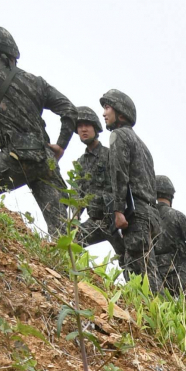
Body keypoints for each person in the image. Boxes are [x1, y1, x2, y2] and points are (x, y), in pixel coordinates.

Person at [0, 26, 75, 236]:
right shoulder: (36, 82)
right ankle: (69, 268)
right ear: (12, 52)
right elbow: (69, 110)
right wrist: (61, 145)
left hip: (15, 158)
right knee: (64, 234)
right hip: (45, 161)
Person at [99, 90, 159, 288]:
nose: (104, 113)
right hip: (150, 215)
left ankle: (146, 317)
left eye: (107, 108)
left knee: (136, 275)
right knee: (150, 274)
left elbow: (119, 174)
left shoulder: (119, 135)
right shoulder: (143, 146)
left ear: (121, 113)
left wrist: (118, 211)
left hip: (136, 215)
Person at [68, 106, 121, 259]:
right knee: (72, 244)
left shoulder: (110, 155)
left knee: (130, 260)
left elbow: (123, 184)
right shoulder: (81, 163)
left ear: (95, 128)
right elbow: (77, 193)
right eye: (80, 126)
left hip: (115, 220)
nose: (83, 129)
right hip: (95, 221)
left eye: (87, 125)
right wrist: (76, 217)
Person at [153, 176, 186, 300]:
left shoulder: (146, 215)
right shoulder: (177, 216)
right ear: (170, 195)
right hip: (177, 271)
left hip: (154, 271)